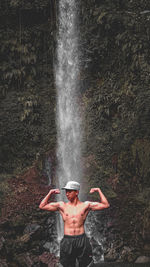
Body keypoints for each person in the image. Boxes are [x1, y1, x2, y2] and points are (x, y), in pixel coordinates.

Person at [39, 181, 110, 267]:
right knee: (66, 265)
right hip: (67, 240)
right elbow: (42, 206)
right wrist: (50, 193)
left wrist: (98, 190)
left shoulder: (85, 205)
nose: (67, 194)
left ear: (76, 192)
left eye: (69, 191)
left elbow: (105, 204)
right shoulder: (62, 206)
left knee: (86, 265)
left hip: (82, 240)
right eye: (66, 191)